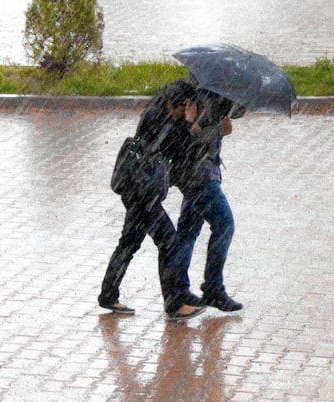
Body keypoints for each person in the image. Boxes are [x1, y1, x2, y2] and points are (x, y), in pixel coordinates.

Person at [98, 80, 204, 320]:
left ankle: (108, 294)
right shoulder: (161, 119)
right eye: (186, 107)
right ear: (181, 104)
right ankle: (174, 304)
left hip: (136, 190)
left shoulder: (156, 112)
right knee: (169, 242)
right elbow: (180, 149)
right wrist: (188, 124)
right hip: (143, 194)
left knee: (129, 243)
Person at [163, 89, 245, 314]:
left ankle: (178, 291)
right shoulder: (204, 96)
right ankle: (212, 288)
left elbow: (235, 112)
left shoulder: (217, 92)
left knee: (188, 232)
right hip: (199, 176)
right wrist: (219, 130)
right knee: (224, 224)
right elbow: (191, 139)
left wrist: (241, 100)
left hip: (196, 174)